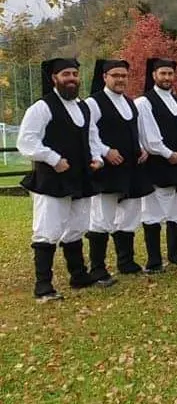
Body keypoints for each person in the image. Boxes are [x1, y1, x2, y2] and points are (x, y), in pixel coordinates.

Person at [18, 58, 101, 301]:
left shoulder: (83, 107)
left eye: (75, 74)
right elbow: (26, 141)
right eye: (66, 74)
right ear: (55, 78)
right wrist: (53, 158)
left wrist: (97, 158)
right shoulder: (42, 107)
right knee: (47, 230)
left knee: (77, 227)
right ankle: (43, 285)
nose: (71, 78)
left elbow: (92, 137)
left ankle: (79, 275)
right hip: (53, 180)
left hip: (81, 177)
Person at [86, 59, 153, 279]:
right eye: (115, 75)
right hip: (108, 170)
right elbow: (88, 133)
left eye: (124, 75)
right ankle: (97, 268)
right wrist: (105, 151)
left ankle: (126, 261)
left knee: (130, 214)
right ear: (105, 77)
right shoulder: (93, 103)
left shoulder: (130, 102)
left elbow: (135, 131)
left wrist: (142, 148)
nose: (120, 79)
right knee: (102, 217)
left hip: (132, 168)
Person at [136, 58, 177, 272]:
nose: (167, 77)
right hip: (159, 165)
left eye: (170, 74)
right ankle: (154, 261)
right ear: (154, 75)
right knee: (154, 213)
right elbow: (149, 136)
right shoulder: (144, 102)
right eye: (162, 73)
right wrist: (167, 153)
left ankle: (176, 254)